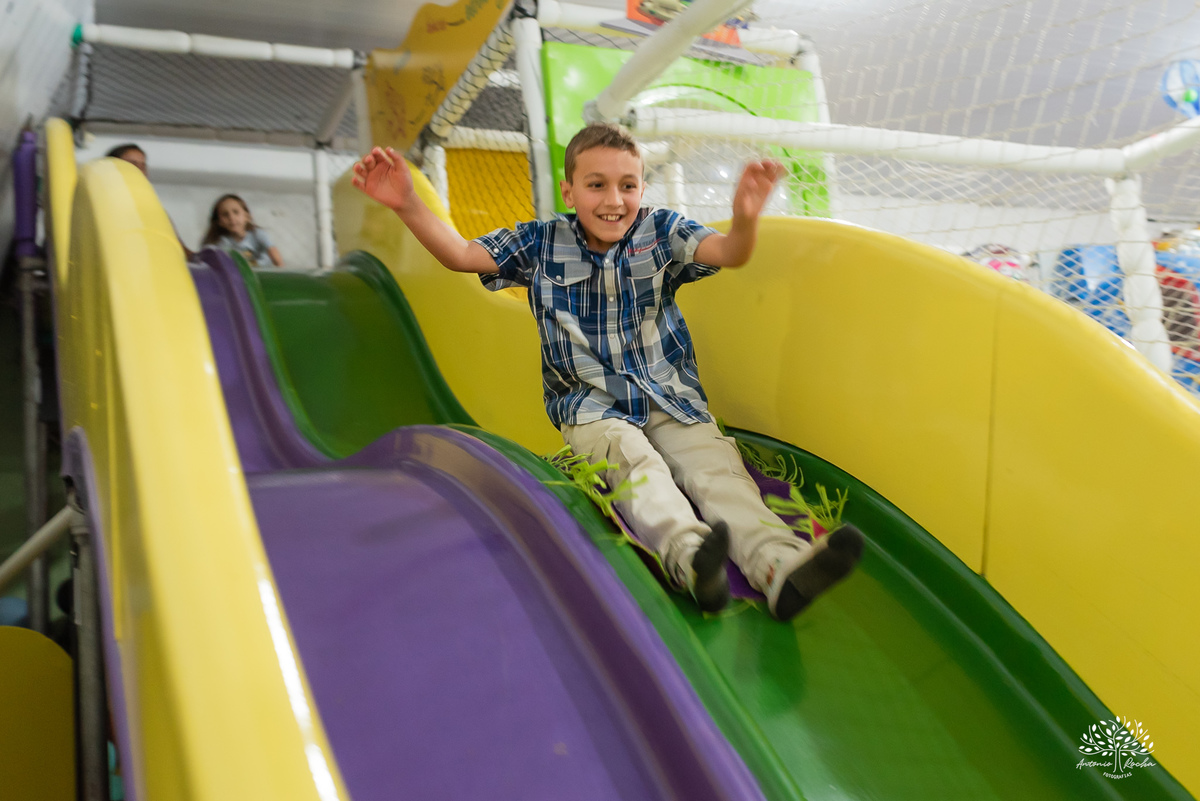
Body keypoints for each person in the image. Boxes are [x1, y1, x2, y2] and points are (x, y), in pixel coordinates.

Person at [352, 124, 863, 620]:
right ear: (570, 190)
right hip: (591, 407)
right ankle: (690, 558)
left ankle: (777, 566)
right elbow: (463, 255)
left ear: (643, 187)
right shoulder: (541, 241)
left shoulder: (661, 231)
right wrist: (408, 204)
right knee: (635, 464)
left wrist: (745, 217)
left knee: (715, 469)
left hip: (669, 397)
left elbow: (729, 253)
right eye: (596, 185)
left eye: (628, 185)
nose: (614, 199)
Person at [202, 194, 284, 267]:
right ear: (220, 222)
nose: (231, 218)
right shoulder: (223, 243)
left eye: (236, 212)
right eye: (225, 214)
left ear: (247, 217)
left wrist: (281, 270)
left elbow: (274, 254)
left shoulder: (258, 234)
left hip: (265, 274)